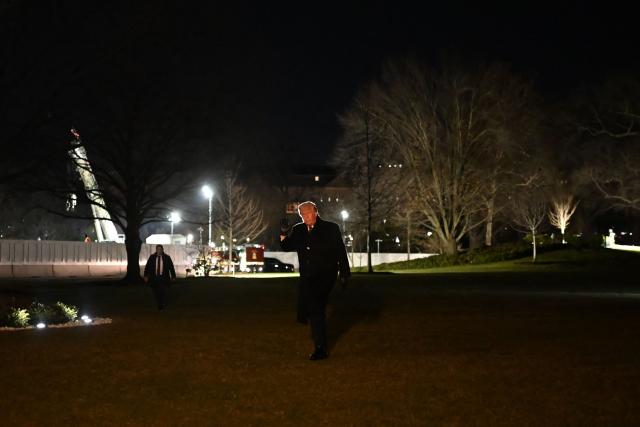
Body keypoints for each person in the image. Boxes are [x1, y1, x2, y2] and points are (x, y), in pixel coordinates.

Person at [280, 201, 350, 360]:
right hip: (308, 276)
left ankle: (320, 347)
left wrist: (345, 273)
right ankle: (320, 345)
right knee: (314, 308)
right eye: (302, 214)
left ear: (316, 212)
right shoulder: (298, 230)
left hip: (326, 274)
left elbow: (340, 250)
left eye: (308, 213)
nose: (305, 217)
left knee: (316, 306)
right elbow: (286, 246)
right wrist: (283, 232)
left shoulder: (331, 228)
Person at [143, 244, 177, 310]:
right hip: (154, 278)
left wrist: (173, 276)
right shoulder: (152, 257)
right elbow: (147, 267)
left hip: (163, 277)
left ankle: (161, 304)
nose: (159, 250)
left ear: (162, 250)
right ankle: (159, 303)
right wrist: (145, 276)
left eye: (160, 249)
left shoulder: (167, 257)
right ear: (156, 250)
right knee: (155, 292)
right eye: (158, 249)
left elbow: (171, 267)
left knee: (163, 291)